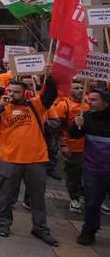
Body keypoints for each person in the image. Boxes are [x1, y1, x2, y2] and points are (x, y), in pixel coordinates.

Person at [0, 76, 59, 246]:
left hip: (36, 159)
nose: (12, 94)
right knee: (6, 194)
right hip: (10, 159)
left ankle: (40, 227)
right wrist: (1, 106)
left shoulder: (36, 104)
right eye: (9, 91)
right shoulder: (0, 107)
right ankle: (3, 223)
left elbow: (51, 94)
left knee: (38, 196)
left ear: (25, 93)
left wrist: (49, 76)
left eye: (16, 92)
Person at [71, 88, 110, 246]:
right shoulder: (85, 116)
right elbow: (75, 135)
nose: (89, 101)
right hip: (94, 168)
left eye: (94, 99)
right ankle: (89, 231)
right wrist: (76, 125)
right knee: (92, 202)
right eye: (89, 98)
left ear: (105, 103)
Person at [47, 79, 86, 214]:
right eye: (76, 88)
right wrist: (63, 145)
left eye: (82, 88)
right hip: (73, 147)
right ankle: (75, 198)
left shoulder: (89, 104)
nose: (80, 90)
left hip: (90, 148)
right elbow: (60, 128)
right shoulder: (64, 105)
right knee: (73, 174)